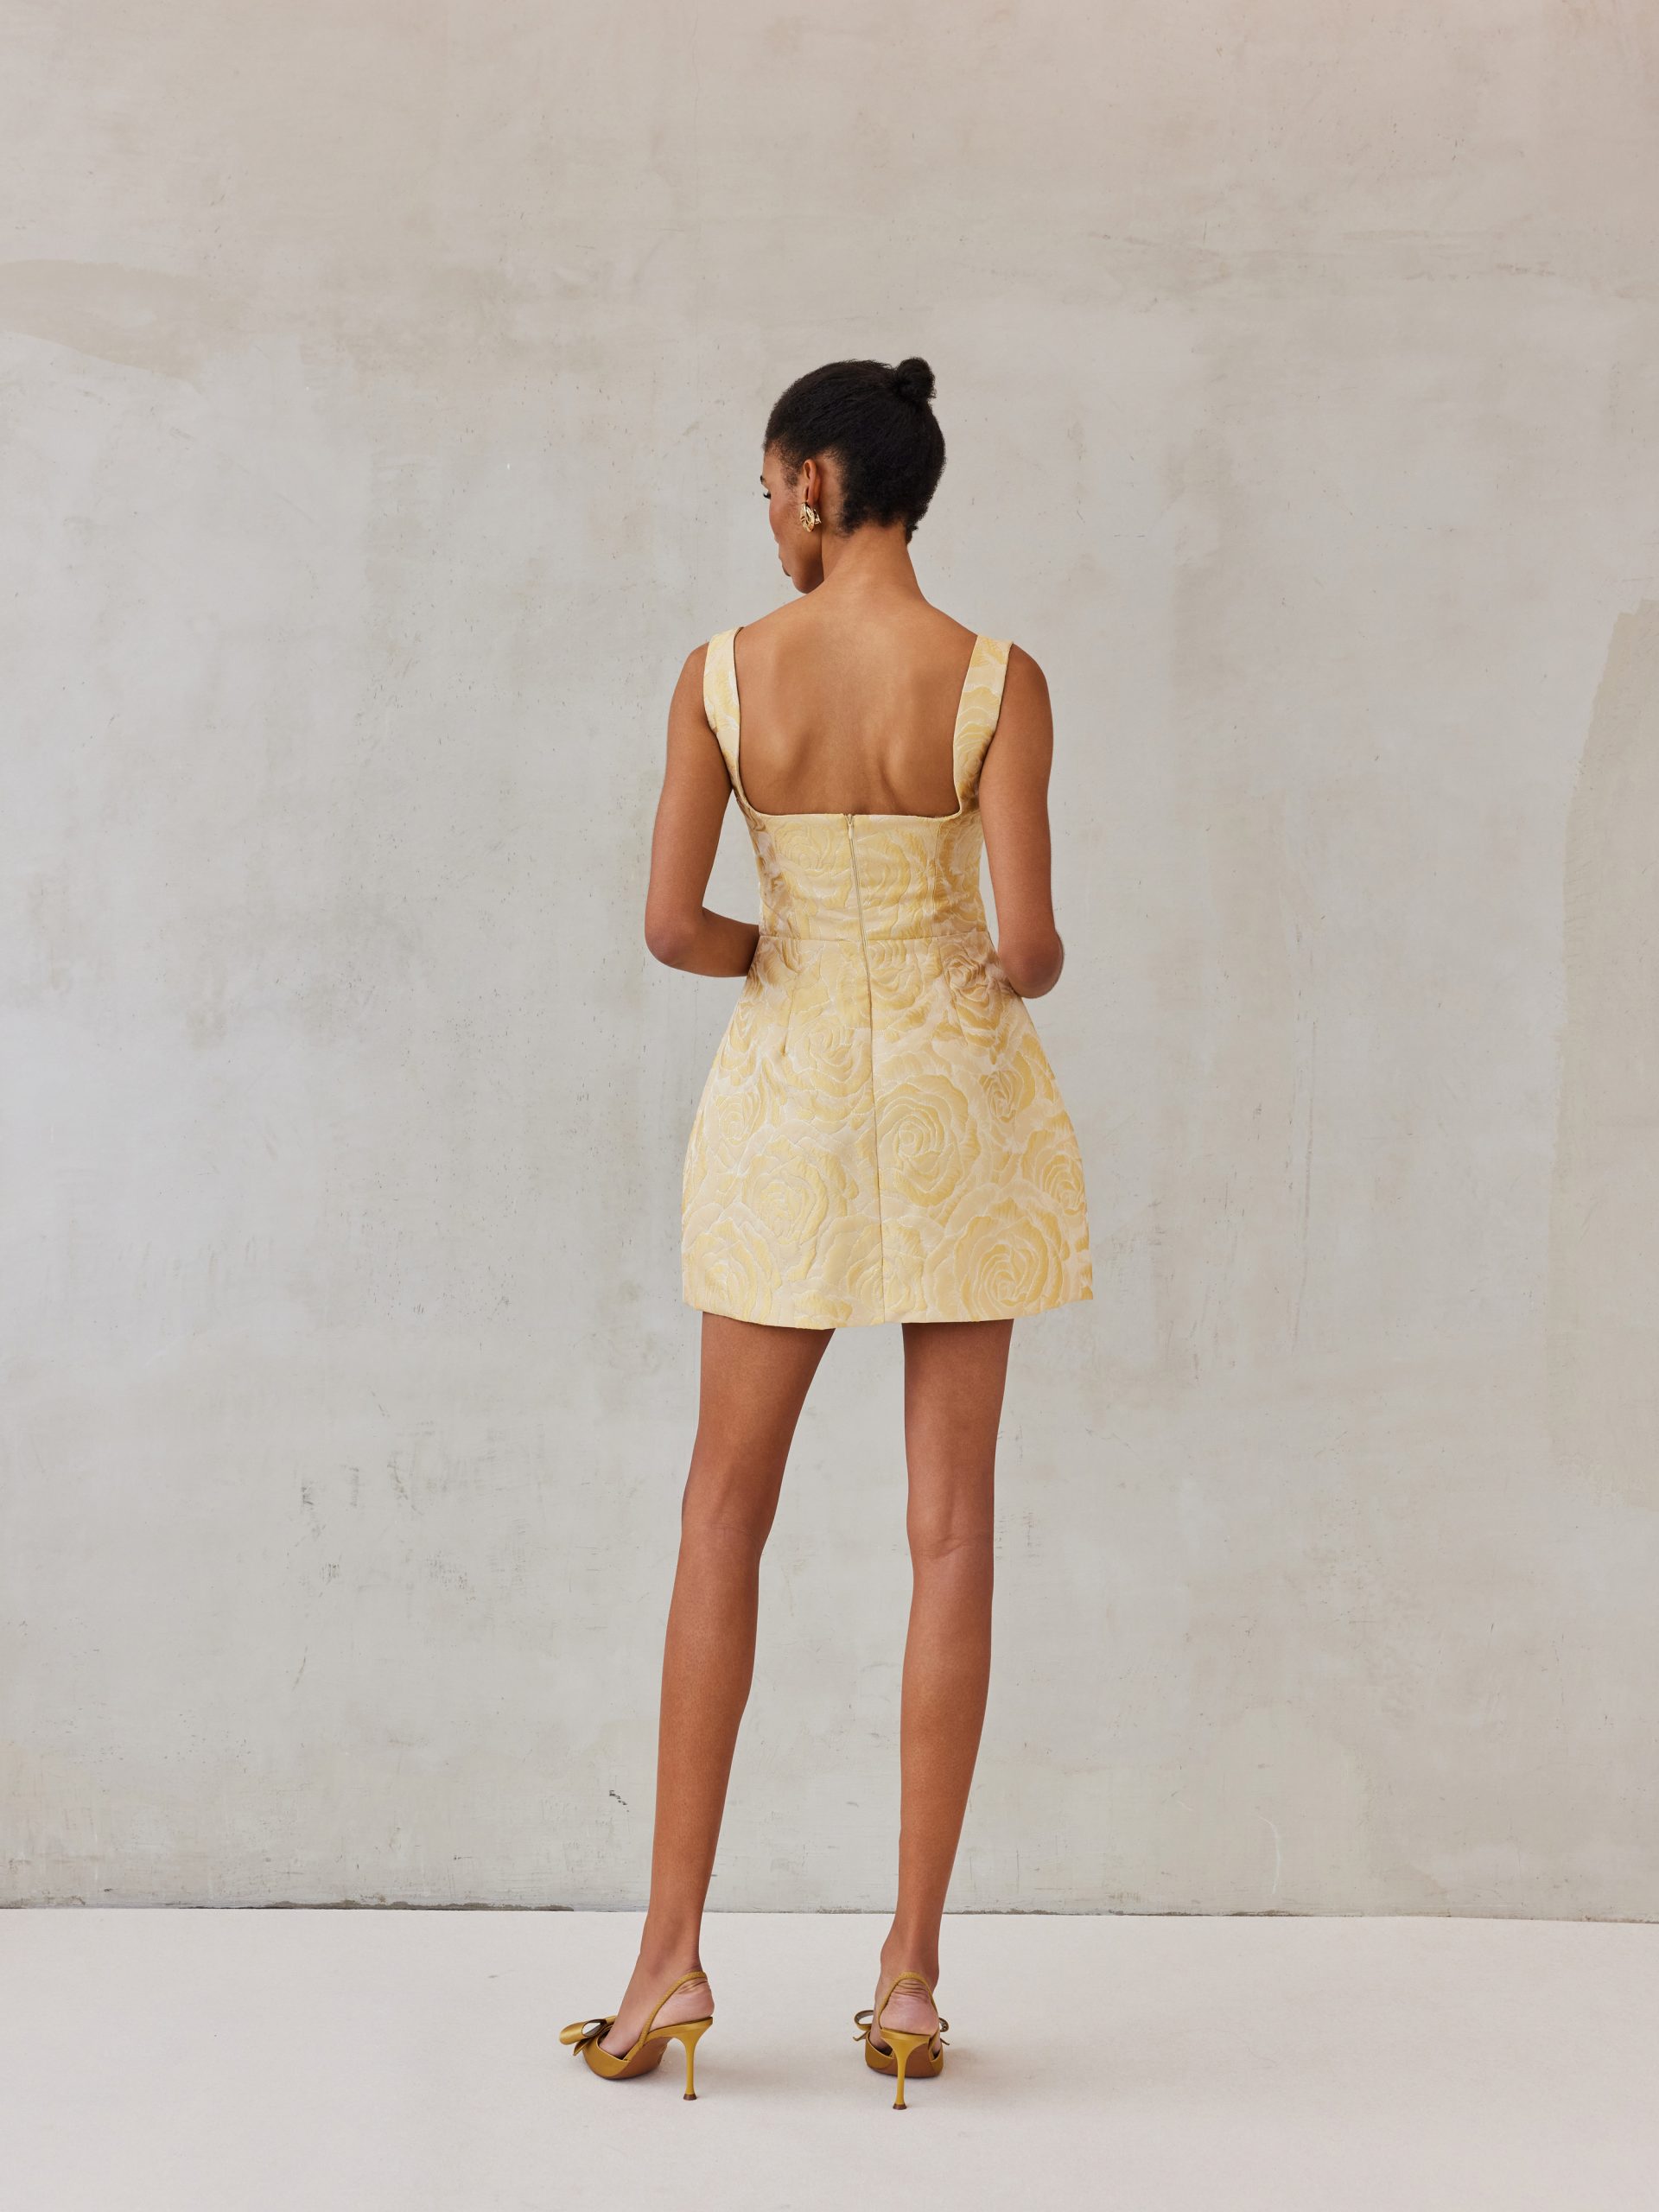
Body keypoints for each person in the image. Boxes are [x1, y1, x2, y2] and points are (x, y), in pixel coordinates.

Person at [561, 358, 1091, 2109]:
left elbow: (669, 926)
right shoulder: (996, 680)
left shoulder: (723, 674)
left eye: (767, 488)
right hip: (957, 1104)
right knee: (952, 1531)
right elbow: (1031, 951)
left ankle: (666, 1958)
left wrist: (782, 952)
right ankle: (911, 1975)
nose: (767, 520)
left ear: (811, 482)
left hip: (786, 1103)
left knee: (722, 1514)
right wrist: (946, 952)